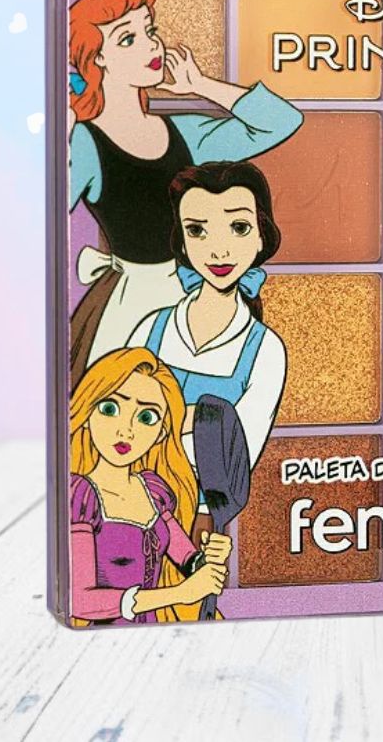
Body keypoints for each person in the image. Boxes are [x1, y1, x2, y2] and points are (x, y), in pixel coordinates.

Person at [68, 0, 303, 382]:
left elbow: (281, 121)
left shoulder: (185, 132)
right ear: (98, 58)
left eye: (150, 30)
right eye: (128, 39)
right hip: (130, 304)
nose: (152, 46)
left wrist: (200, 85)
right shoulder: (87, 142)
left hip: (197, 297)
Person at [128, 161, 286, 533]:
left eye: (238, 228)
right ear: (182, 242)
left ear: (261, 236)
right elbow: (113, 423)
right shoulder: (151, 329)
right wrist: (202, 421)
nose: (218, 250)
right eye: (198, 230)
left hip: (202, 520)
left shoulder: (265, 351)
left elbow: (234, 459)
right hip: (129, 507)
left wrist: (165, 419)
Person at [69, 348, 232, 625]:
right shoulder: (82, 498)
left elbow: (187, 560)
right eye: (110, 409)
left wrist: (210, 558)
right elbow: (80, 601)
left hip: (159, 632)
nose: (126, 430)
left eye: (146, 417)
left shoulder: (154, 491)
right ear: (87, 414)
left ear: (161, 434)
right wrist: (180, 594)